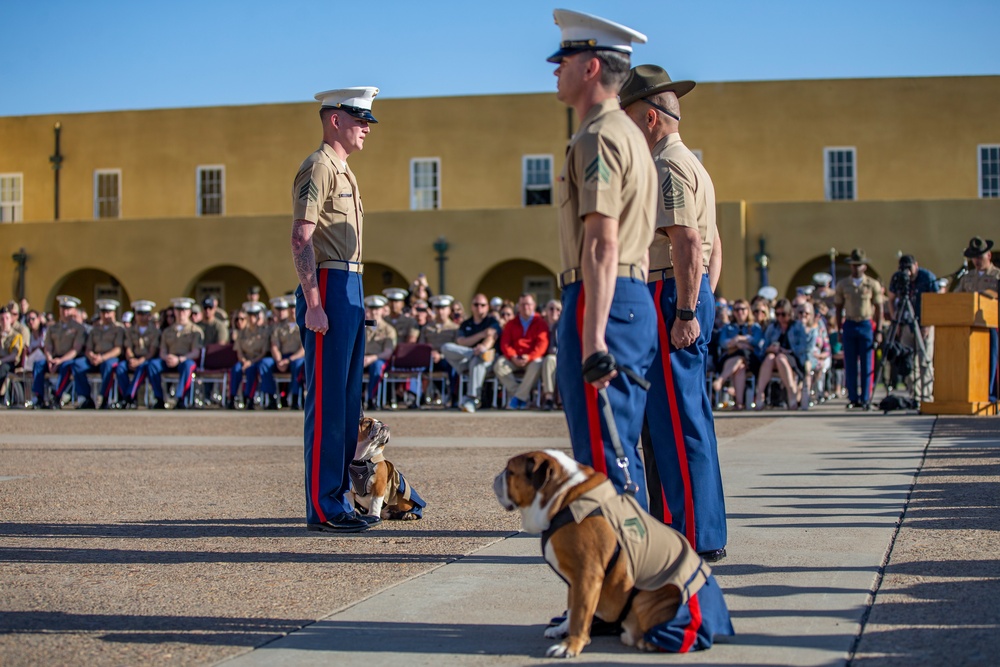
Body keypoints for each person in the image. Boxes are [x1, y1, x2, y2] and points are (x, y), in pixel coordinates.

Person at [548, 9, 658, 506]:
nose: (556, 68)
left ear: (591, 66)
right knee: (614, 448)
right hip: (622, 296)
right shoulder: (624, 133)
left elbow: (601, 240)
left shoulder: (599, 136)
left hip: (603, 299)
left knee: (602, 457)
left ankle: (624, 569)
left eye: (565, 58)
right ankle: (630, 566)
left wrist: (593, 336)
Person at [620, 64, 727, 560]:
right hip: (683, 294)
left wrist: (686, 309)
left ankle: (691, 535)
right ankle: (693, 528)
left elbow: (686, 242)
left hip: (671, 297)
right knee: (684, 417)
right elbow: (713, 246)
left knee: (675, 421)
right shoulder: (694, 164)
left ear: (648, 119)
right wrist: (703, 299)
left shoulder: (666, 165)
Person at [290, 86, 380, 533]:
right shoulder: (319, 166)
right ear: (335, 120)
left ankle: (340, 497)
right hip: (328, 283)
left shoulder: (344, 170)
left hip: (352, 282)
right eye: (359, 118)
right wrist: (313, 303)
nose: (366, 127)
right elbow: (301, 237)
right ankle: (324, 507)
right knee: (326, 403)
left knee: (345, 403)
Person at [833, 248, 884, 410]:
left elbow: (879, 308)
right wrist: (839, 329)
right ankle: (853, 397)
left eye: (859, 265)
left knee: (867, 363)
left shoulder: (872, 284)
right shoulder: (843, 284)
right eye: (853, 265)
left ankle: (866, 398)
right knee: (850, 363)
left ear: (864, 267)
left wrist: (879, 330)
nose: (856, 268)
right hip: (849, 324)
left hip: (865, 324)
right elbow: (838, 308)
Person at [954, 236, 1000, 401]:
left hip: (991, 325)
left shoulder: (997, 276)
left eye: (980, 257)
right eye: (974, 257)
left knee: (991, 361)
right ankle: (971, 393)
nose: (977, 261)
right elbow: (956, 298)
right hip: (969, 326)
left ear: (989, 256)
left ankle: (990, 394)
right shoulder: (967, 277)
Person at [887, 254, 937, 401]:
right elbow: (891, 298)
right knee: (907, 360)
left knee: (924, 360)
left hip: (924, 323)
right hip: (906, 324)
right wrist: (895, 320)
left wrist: (928, 324)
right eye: (904, 268)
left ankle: (926, 395)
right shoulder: (898, 278)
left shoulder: (927, 277)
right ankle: (915, 393)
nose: (907, 272)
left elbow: (935, 301)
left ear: (916, 265)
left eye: (909, 268)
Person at [441, 292, 501, 413]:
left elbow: (491, 337)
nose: (479, 307)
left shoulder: (492, 321)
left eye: (482, 305)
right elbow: (461, 341)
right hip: (467, 357)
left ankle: (471, 399)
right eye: (476, 304)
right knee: (446, 347)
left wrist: (483, 346)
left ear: (487, 307)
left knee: (477, 359)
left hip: (486, 360)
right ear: (472, 306)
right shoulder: (466, 324)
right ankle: (472, 353)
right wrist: (480, 337)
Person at [494, 293, 549, 410]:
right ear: (518, 306)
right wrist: (513, 356)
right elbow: (505, 343)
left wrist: (529, 357)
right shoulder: (511, 323)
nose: (525, 307)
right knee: (499, 365)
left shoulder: (540, 323)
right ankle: (521, 397)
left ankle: (517, 398)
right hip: (514, 358)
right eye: (523, 304)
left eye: (528, 304)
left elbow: (542, 345)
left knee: (538, 363)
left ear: (534, 305)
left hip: (531, 359)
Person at [149, 298, 204, 409]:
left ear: (189, 312)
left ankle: (180, 398)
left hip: (184, 360)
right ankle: (159, 398)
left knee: (188, 365)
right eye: (178, 310)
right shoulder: (167, 331)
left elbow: (195, 352)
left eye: (184, 310)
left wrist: (179, 359)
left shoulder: (195, 330)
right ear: (174, 311)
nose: (181, 313)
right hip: (169, 360)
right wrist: (167, 357)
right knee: (152, 365)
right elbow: (163, 350)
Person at [32, 295, 86, 409]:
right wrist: (50, 359)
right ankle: (38, 397)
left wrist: (60, 360)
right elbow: (48, 346)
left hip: (68, 359)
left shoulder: (79, 328)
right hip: (54, 357)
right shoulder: (53, 327)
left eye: (68, 309)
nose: (65, 312)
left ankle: (57, 397)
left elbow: (76, 349)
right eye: (63, 308)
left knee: (66, 366)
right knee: (38, 365)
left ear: (74, 311)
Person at [756, 298, 809, 410]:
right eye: (777, 314)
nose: (780, 317)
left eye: (783, 314)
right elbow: (764, 346)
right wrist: (770, 348)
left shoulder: (797, 326)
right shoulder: (773, 327)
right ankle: (760, 393)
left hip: (792, 357)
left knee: (781, 358)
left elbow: (803, 347)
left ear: (789, 313)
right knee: (771, 357)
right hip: (774, 358)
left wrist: (786, 351)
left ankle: (791, 392)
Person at [72, 299, 124, 409]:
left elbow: (118, 349)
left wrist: (102, 358)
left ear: (113, 313)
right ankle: (86, 397)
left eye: (108, 312)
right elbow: (88, 348)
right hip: (95, 358)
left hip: (109, 358)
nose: (106, 315)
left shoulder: (119, 329)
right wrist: (91, 356)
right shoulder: (94, 330)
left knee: (109, 366)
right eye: (103, 312)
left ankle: (104, 398)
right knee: (78, 364)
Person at [712, 299, 763, 410]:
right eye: (737, 309)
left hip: (751, 360)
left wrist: (739, 339)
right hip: (732, 358)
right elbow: (722, 342)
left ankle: (721, 379)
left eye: (742, 309)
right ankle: (739, 403)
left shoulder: (754, 327)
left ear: (748, 310)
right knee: (740, 366)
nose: (740, 312)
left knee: (741, 356)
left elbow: (757, 341)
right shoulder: (728, 327)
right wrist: (739, 344)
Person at [258, 295, 305, 410]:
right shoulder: (278, 327)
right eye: (290, 307)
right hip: (281, 357)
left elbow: (303, 349)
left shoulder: (303, 325)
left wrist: (289, 360)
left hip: (296, 358)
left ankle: (295, 399)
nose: (293, 310)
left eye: (294, 306)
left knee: (298, 365)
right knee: (265, 363)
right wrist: (279, 360)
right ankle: (272, 397)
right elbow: (274, 346)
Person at [117, 300, 162, 409]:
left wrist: (139, 361)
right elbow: (128, 347)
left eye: (145, 314)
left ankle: (129, 397)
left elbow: (152, 351)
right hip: (133, 358)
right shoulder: (130, 331)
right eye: (139, 314)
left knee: (143, 367)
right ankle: (126, 396)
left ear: (149, 316)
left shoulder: (155, 332)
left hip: (146, 360)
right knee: (120, 368)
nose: (142, 317)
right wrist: (132, 359)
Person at [227, 302, 270, 409]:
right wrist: (243, 360)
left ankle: (249, 399)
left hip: (256, 360)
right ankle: (232, 398)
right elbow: (239, 351)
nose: (251, 318)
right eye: (249, 315)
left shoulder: (264, 332)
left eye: (254, 316)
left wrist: (250, 362)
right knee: (235, 369)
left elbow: (263, 352)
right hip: (244, 360)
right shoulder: (241, 333)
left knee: (251, 370)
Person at [418, 294, 459, 405]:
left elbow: (456, 348)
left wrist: (440, 355)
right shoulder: (427, 328)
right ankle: (418, 396)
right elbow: (421, 346)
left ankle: (453, 395)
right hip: (429, 359)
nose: (440, 311)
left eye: (443, 308)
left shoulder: (455, 328)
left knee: (453, 367)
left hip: (446, 358)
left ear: (449, 310)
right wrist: (430, 353)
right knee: (416, 367)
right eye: (437, 308)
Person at [361, 294, 396, 410]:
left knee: (377, 367)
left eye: (377, 309)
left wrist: (372, 358)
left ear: (382, 310)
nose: (374, 312)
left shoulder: (388, 329)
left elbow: (387, 352)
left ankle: (371, 398)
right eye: (371, 308)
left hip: (378, 359)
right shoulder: (362, 327)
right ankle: (356, 399)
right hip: (362, 358)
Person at [540, 299, 562, 410]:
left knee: (550, 360)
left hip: (557, 357)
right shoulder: (540, 324)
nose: (554, 311)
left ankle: (549, 397)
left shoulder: (563, 325)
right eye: (551, 308)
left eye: (558, 309)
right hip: (538, 359)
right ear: (546, 311)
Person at [0, 306, 24, 396]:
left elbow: (14, 355)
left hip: (10, 363)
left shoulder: (16, 335)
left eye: (7, 318)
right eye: (2, 319)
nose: (4, 321)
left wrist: (1, 361)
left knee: (3, 368)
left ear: (11, 320)